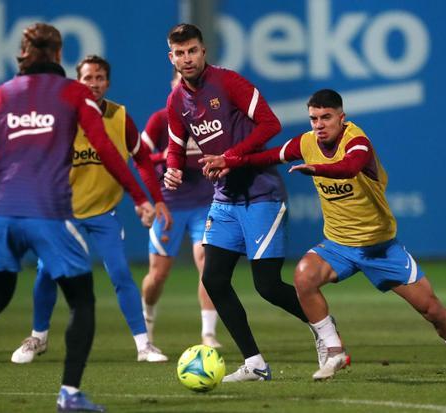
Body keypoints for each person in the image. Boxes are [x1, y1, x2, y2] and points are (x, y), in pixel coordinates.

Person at [200, 89, 446, 381]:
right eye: (313, 119)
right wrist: (229, 161)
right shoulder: (306, 142)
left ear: (342, 117)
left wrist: (317, 168)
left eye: (326, 118)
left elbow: (350, 167)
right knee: (304, 276)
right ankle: (334, 349)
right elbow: (267, 157)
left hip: (379, 248)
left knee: (431, 309)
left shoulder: (357, 140)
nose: (319, 125)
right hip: (338, 246)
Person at [0, 23, 154, 412]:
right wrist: (139, 196)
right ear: (60, 56)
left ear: (22, 53)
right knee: (82, 303)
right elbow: (107, 149)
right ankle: (70, 394)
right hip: (49, 214)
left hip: (2, 215)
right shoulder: (74, 94)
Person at [163, 23, 309, 382]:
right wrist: (172, 171)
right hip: (225, 198)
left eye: (192, 50)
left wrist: (231, 155)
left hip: (260, 191)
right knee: (213, 278)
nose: (187, 58)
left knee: (268, 286)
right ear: (172, 57)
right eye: (179, 53)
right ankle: (255, 363)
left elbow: (270, 124)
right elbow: (175, 148)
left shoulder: (228, 82)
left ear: (204, 51)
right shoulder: (175, 101)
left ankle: (323, 328)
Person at [10, 55, 171, 366]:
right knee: (46, 272)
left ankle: (144, 345)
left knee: (120, 273)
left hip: (103, 213)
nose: (94, 83)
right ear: (77, 81)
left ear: (107, 82)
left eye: (99, 78)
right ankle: (38, 338)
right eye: (88, 78)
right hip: (63, 214)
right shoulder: (60, 116)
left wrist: (153, 198)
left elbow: (141, 159)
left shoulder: (120, 116)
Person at [140, 71, 221, 349]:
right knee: (158, 274)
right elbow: (139, 157)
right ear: (173, 85)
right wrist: (163, 158)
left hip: (204, 202)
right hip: (170, 205)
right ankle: (147, 323)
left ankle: (208, 334)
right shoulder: (161, 119)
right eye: (179, 81)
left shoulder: (211, 119)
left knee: (208, 265)